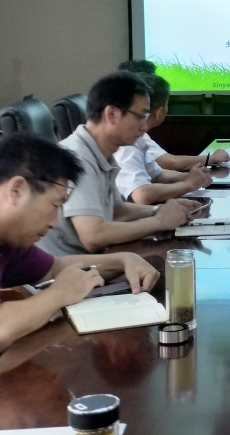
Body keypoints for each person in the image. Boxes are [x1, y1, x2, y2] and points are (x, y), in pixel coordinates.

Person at [0, 132, 160, 352]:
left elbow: (55, 267)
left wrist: (124, 260)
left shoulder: (10, 241)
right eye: (54, 205)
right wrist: (60, 293)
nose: (54, 223)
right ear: (16, 190)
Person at [37, 71, 196, 256]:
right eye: (141, 116)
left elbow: (116, 211)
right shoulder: (78, 157)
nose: (144, 127)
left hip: (92, 261)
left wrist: (159, 210)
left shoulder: (102, 153)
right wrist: (159, 221)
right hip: (67, 268)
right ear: (112, 114)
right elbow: (93, 236)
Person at [114, 73, 212, 204]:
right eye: (141, 115)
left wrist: (191, 176)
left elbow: (158, 175)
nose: (143, 124)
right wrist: (188, 184)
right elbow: (142, 195)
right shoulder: (125, 142)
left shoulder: (136, 138)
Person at [118, 60, 230, 171]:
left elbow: (158, 174)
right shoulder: (131, 134)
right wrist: (212, 158)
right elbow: (170, 163)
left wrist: (190, 177)